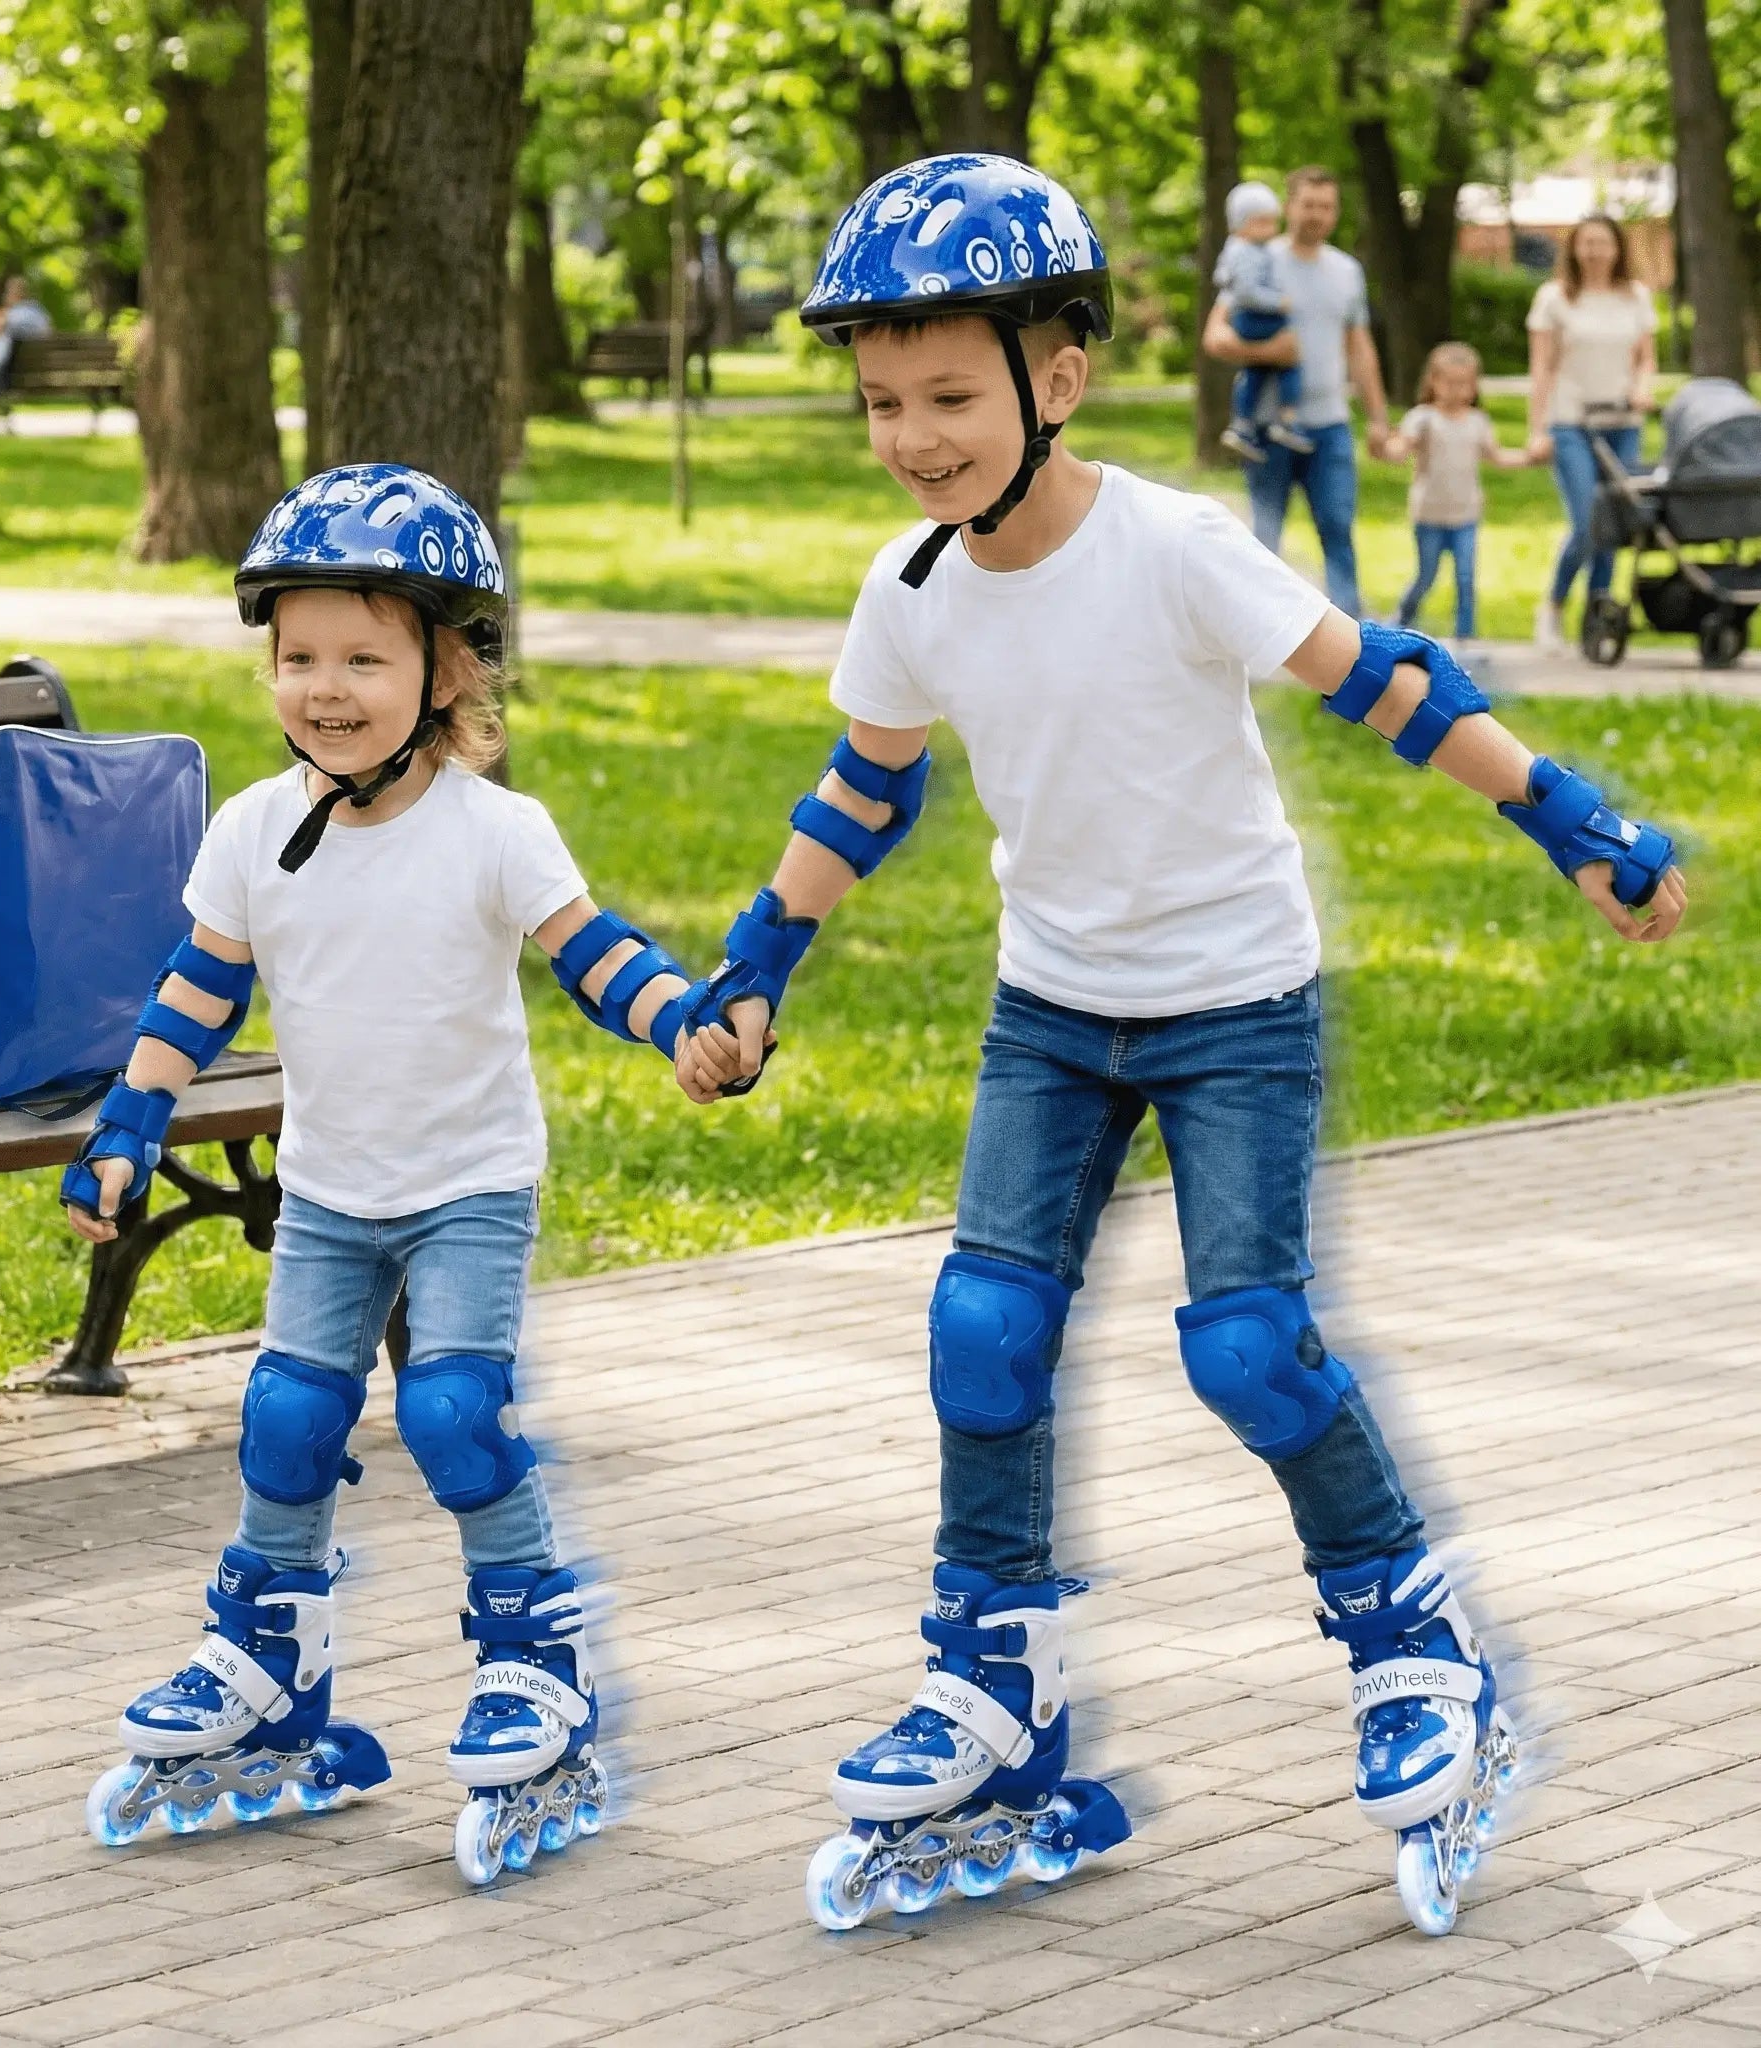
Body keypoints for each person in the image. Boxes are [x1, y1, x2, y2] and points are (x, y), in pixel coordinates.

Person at [676, 153, 1687, 1938]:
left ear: (1054, 376)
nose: (910, 437)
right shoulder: (907, 586)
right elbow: (861, 788)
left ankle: (1410, 1640)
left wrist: (1575, 820)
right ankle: (997, 1683)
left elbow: (1387, 679)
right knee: (980, 1325)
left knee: (1242, 1341)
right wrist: (755, 962)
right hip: (1049, 1012)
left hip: (1233, 1004)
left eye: (947, 396)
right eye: (879, 403)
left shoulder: (1170, 546)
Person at [68, 463, 710, 1885]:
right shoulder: (251, 831)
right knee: (287, 1420)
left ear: (447, 669)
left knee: (455, 1414)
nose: (326, 687)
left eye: (365, 656)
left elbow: (591, 953)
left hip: (470, 1184)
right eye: (299, 656)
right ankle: (269, 1668)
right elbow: (196, 994)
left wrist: (680, 1020)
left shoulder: (490, 829)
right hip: (333, 1192)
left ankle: (537, 1660)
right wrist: (129, 1123)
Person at [1202, 166, 1392, 617]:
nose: (1317, 215)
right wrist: (1271, 351)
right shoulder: (1260, 259)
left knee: (1338, 527)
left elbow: (1360, 349)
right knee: (1266, 535)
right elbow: (1215, 336)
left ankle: (1352, 639)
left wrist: (1380, 419)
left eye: (1326, 207)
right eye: (1308, 204)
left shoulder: (1347, 271)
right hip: (1270, 428)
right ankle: (1261, 634)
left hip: (1330, 427)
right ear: (1289, 206)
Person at [1525, 217, 1658, 653]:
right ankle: (1553, 606)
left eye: (1603, 243)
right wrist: (1536, 428)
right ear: (1575, 249)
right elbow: (1542, 368)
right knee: (1586, 523)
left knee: (1612, 528)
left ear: (1617, 248)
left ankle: (1595, 618)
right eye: (1587, 243)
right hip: (1570, 421)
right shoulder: (1554, 299)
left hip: (1622, 423)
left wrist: (1642, 388)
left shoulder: (1636, 297)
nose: (1596, 251)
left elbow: (1645, 360)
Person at [1387, 341, 1532, 647]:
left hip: (1466, 513)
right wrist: (1387, 448)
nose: (1456, 390)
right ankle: (1402, 619)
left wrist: (1530, 456)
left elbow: (1497, 456)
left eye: (1464, 384)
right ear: (1434, 382)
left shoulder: (1478, 422)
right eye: (1449, 383)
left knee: (1466, 578)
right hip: (1430, 514)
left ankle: (1466, 634)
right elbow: (1402, 447)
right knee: (1426, 575)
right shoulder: (1423, 418)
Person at [1213, 180, 1315, 464]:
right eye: (1262, 223)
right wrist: (1279, 302)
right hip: (1256, 317)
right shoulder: (1247, 251)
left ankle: (1242, 425)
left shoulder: (1238, 248)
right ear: (1242, 223)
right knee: (1291, 360)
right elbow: (1247, 292)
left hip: (1247, 317)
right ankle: (1287, 416)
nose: (1271, 230)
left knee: (1255, 372)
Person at [0, 276, 53, 399]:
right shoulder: (38, 312)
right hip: (38, 369)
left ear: (14, 294)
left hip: (11, 375)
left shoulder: (12, 314)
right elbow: (49, 332)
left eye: (7, 292)